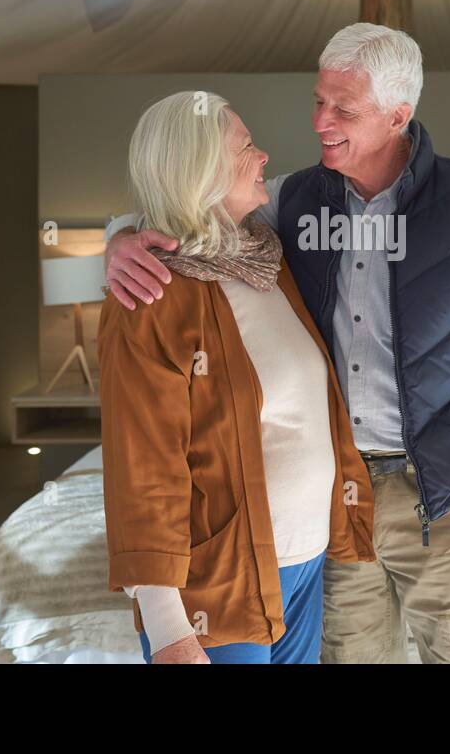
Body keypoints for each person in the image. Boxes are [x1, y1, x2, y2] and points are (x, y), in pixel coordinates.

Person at [105, 24, 450, 663]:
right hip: (339, 505)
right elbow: (188, 209)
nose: (321, 120)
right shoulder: (286, 206)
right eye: (319, 99)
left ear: (398, 116)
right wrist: (121, 237)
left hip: (449, 492)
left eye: (344, 108)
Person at [98, 90, 375, 664]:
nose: (264, 156)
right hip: (218, 581)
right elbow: (143, 467)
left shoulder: (264, 261)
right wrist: (169, 628)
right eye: (245, 146)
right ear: (200, 170)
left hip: (302, 564)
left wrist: (119, 231)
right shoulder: (151, 296)